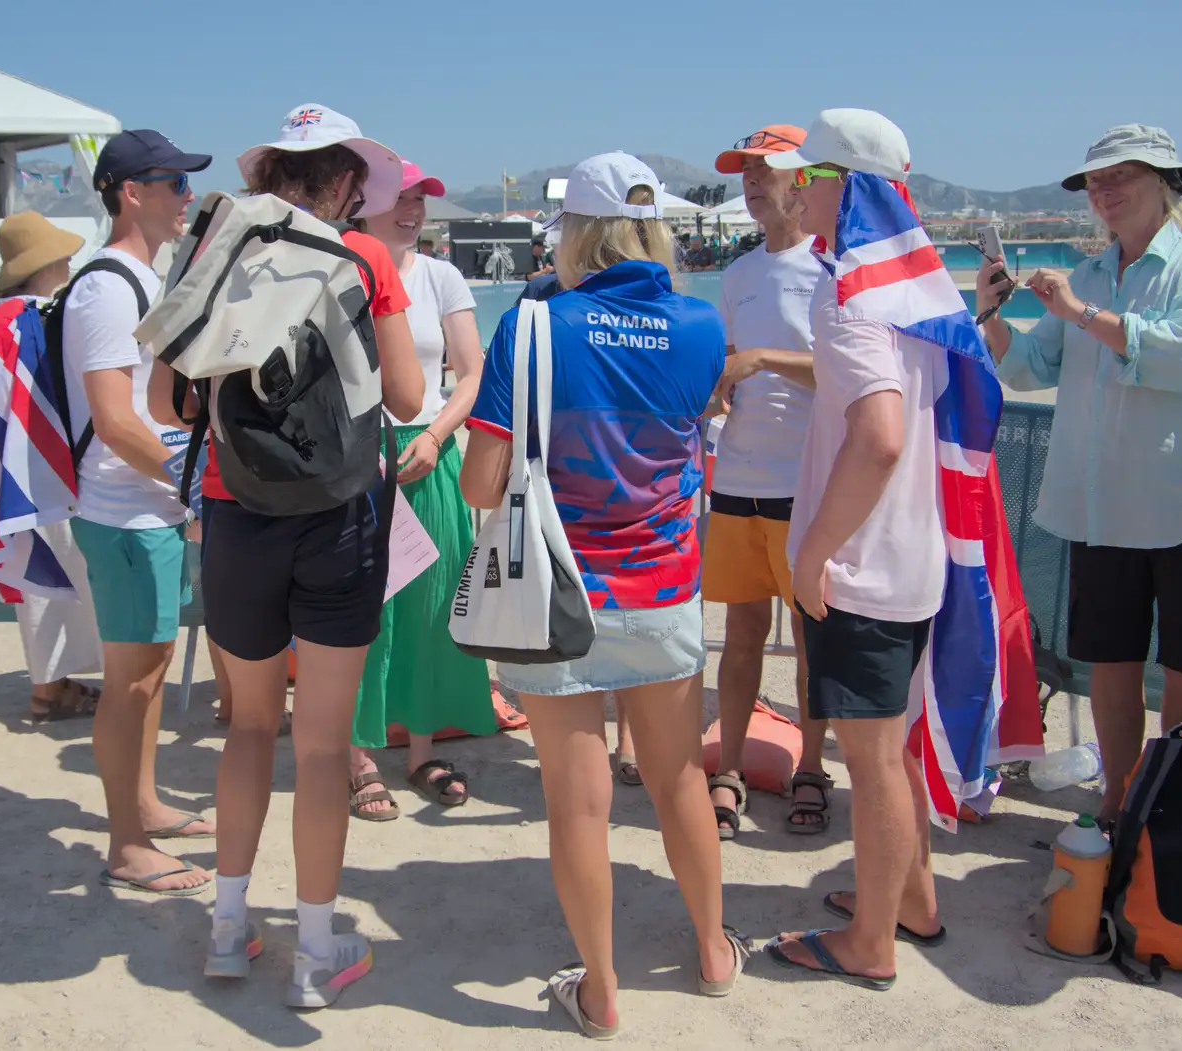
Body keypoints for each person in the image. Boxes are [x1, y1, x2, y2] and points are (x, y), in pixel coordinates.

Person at [461, 152, 746, 1037]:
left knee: (576, 803)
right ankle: (711, 952)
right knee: (678, 781)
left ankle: (601, 989)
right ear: (655, 226)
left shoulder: (534, 322)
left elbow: (480, 483)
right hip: (663, 590)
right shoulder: (701, 325)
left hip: (557, 594)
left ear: (574, 233)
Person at [160, 102, 421, 1009]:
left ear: (272, 174)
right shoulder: (368, 257)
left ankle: (228, 930)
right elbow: (406, 391)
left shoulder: (214, 247)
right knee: (323, 747)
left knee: (248, 729)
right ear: (346, 182)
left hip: (237, 514)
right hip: (339, 517)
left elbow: (171, 405)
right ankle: (317, 950)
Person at [978, 124, 1182, 826]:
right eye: (1095, 180)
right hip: (1103, 511)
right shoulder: (1092, 273)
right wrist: (992, 314)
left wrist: (1081, 313)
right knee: (1112, 666)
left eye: (1119, 175)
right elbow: (1028, 370)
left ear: (1165, 182)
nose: (1103, 190)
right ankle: (1121, 802)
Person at [760, 108, 946, 989]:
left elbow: (878, 437)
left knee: (870, 760)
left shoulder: (850, 296)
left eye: (811, 175)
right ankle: (912, 900)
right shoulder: (918, 290)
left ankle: (871, 942)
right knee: (894, 747)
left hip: (860, 568)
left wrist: (813, 551)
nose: (798, 188)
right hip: (913, 558)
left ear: (847, 186)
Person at [65, 130, 215, 895]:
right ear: (132, 191)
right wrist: (195, 480)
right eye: (173, 183)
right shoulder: (107, 286)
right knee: (129, 681)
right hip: (124, 512)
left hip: (144, 509)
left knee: (150, 673)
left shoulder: (138, 279)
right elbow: (115, 418)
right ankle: (126, 841)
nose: (185, 197)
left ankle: (146, 803)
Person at [346, 160, 494, 817]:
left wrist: (434, 436)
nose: (414, 210)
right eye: (401, 198)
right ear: (367, 201)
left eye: (420, 200)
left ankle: (423, 749)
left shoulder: (442, 275)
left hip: (426, 454)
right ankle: (359, 757)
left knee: (434, 608)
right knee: (358, 612)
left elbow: (471, 373)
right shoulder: (340, 268)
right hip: (354, 456)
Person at [704, 123, 832, 836]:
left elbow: (844, 373)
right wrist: (717, 386)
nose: (752, 182)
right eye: (744, 172)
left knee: (814, 642)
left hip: (805, 484)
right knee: (741, 632)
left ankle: (811, 766)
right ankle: (726, 763)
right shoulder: (738, 274)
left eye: (766, 170)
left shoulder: (832, 267)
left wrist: (760, 358)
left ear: (803, 180)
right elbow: (727, 361)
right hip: (737, 479)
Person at [0, 211, 106, 722]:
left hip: (8, 467)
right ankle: (48, 691)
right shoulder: (34, 318)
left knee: (38, 581)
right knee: (53, 578)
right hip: (43, 466)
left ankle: (51, 684)